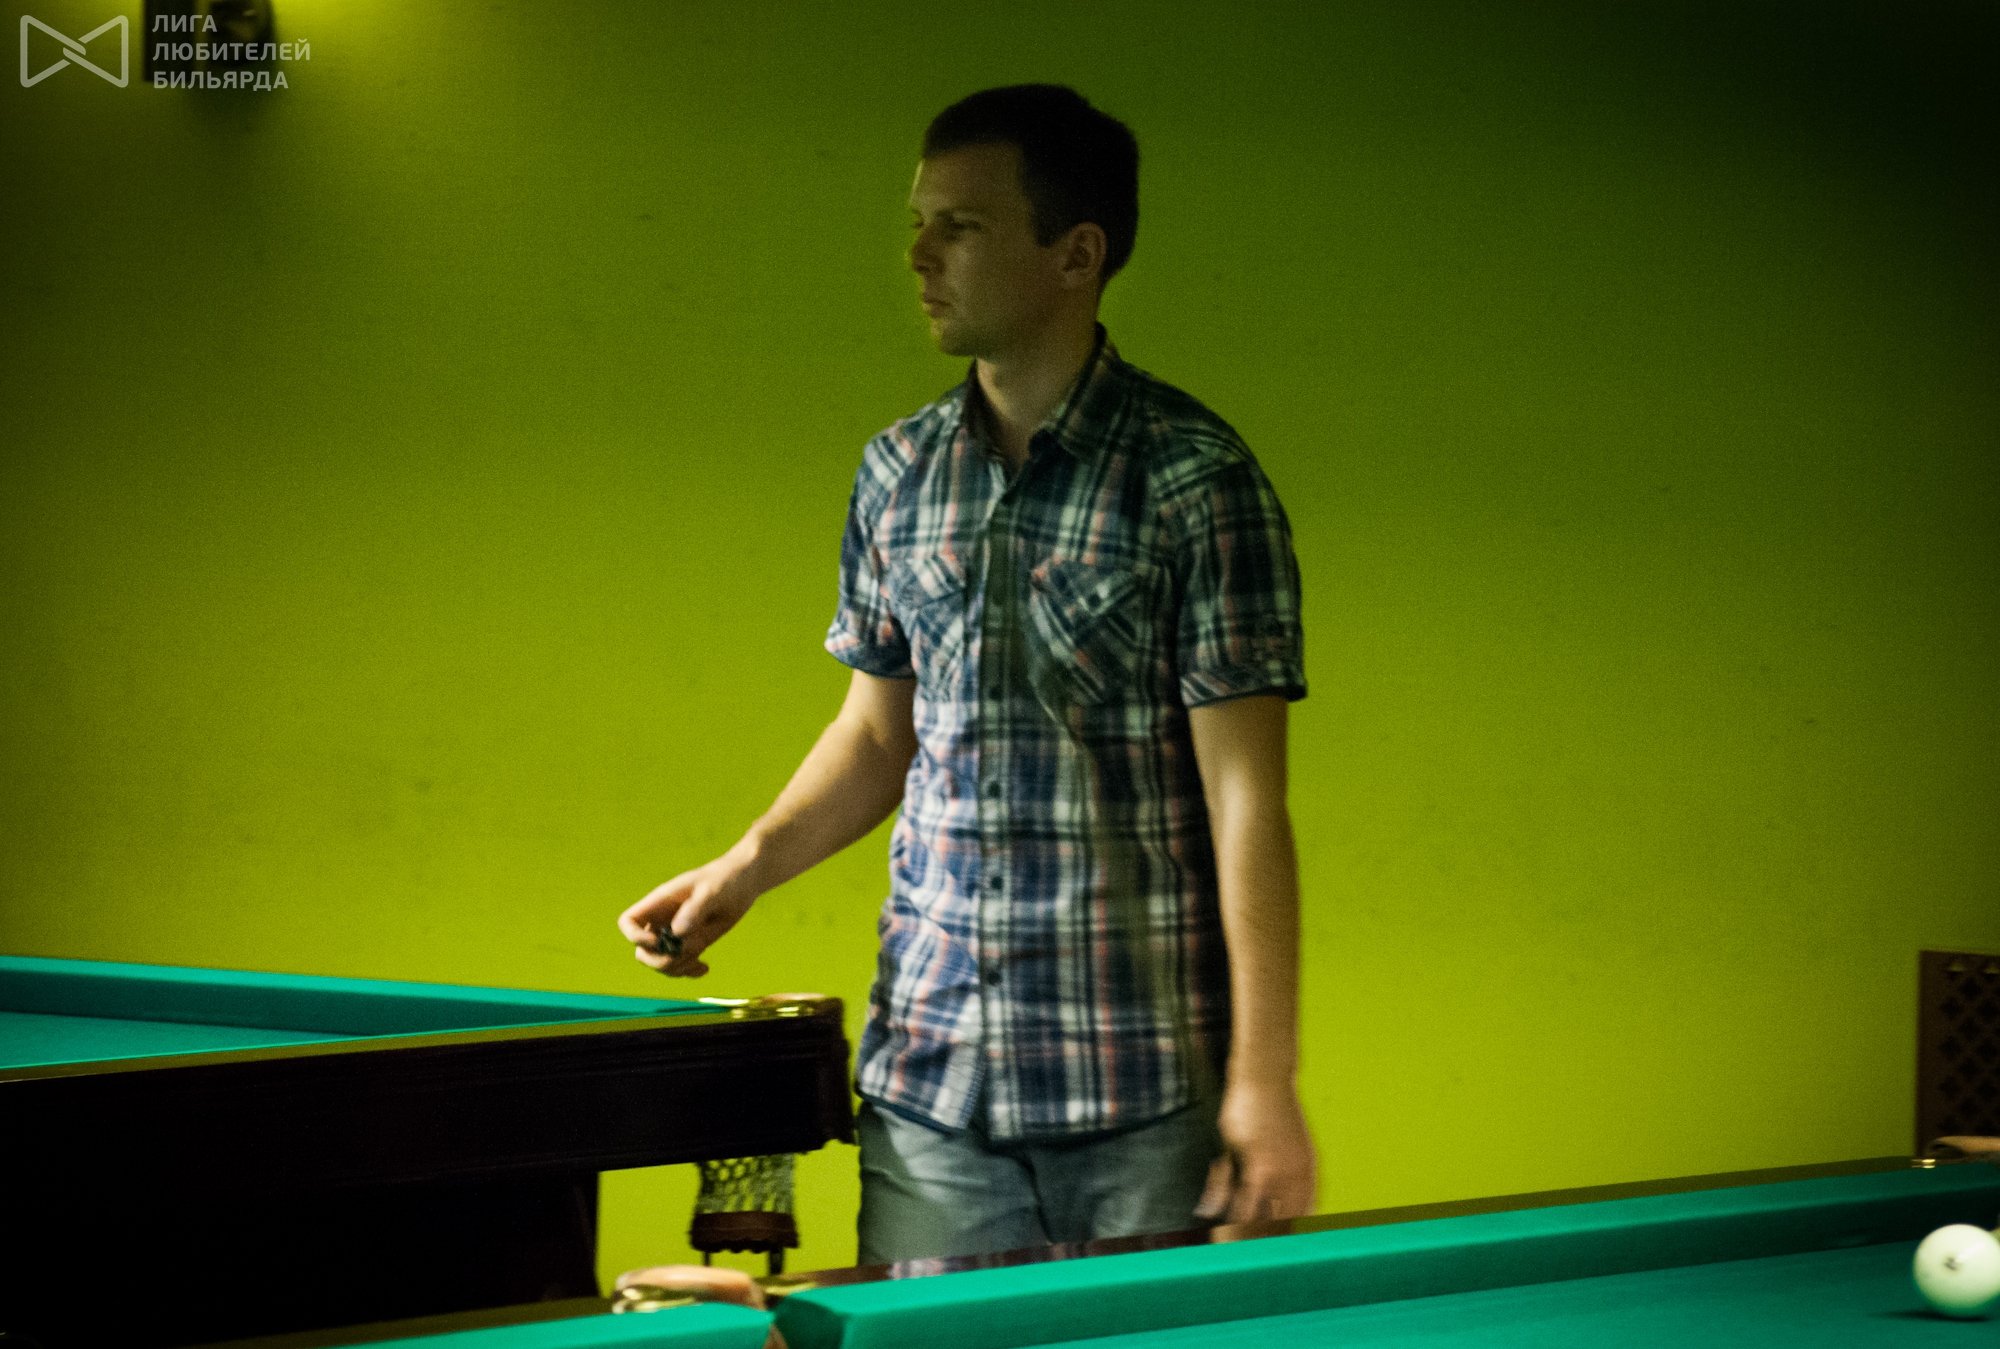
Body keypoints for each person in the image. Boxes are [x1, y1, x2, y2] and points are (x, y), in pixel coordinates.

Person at [618, 84, 1315, 1264]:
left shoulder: (1196, 479)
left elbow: (1245, 798)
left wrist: (1264, 1080)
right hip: (930, 1085)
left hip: (1140, 1090)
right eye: (920, 222)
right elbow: (876, 734)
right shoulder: (896, 471)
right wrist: (745, 865)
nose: (918, 255)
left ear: (1074, 254)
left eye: (962, 225)